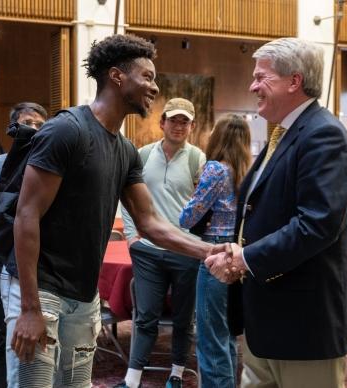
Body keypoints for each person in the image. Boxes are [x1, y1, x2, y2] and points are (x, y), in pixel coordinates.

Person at [5, 34, 227, 388]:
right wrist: (30, 308)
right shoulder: (66, 130)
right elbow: (26, 216)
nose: (154, 88)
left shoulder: (125, 150)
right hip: (41, 287)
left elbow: (151, 223)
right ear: (117, 76)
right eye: (148, 77)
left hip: (83, 292)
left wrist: (208, 251)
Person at [205, 37, 347, 387]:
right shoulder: (286, 135)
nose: (253, 86)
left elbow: (317, 225)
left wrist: (245, 259)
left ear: (294, 81)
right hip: (269, 321)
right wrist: (235, 252)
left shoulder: (323, 135)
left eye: (262, 77)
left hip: (304, 326)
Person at [117, 97, 205, 388]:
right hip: (149, 252)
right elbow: (126, 195)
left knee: (183, 319)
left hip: (185, 251)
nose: (179, 126)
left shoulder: (198, 159)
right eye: (174, 120)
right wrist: (132, 235)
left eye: (185, 121)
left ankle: (176, 375)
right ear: (162, 123)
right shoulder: (141, 155)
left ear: (192, 126)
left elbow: (206, 206)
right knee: (145, 317)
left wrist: (196, 242)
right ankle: (132, 380)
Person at [179, 114, 252, 388]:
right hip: (238, 259)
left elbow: (186, 218)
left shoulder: (215, 170)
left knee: (210, 341)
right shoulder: (246, 171)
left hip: (214, 259)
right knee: (227, 336)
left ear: (217, 137)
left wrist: (196, 203)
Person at [0, 101, 47, 388]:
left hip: (43, 259)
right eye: (27, 122)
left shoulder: (48, 165)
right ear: (13, 127)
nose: (33, 128)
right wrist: (29, 211)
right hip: (8, 258)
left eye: (40, 124)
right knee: (4, 333)